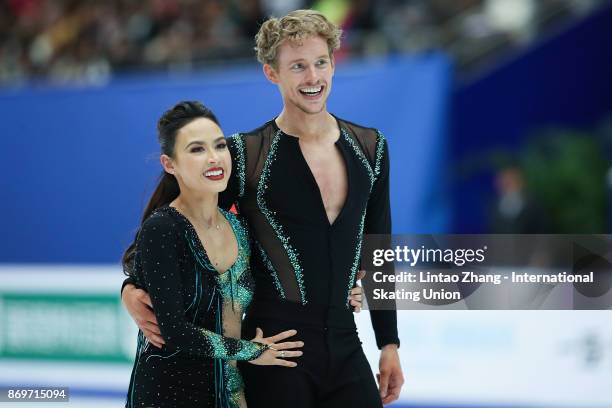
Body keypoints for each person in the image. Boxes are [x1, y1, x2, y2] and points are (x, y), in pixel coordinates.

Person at [123, 9, 404, 407]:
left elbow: (380, 249)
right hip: (275, 347)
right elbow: (177, 220)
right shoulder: (246, 153)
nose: (313, 77)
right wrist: (131, 286)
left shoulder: (370, 148)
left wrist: (388, 342)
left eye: (321, 62)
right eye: (298, 66)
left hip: (345, 343)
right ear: (272, 73)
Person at [122, 101, 306, 408]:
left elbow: (283, 278)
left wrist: (350, 288)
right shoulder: (164, 228)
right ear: (170, 164)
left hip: (230, 391)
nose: (214, 158)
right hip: (168, 393)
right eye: (196, 150)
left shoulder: (239, 227)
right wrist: (253, 351)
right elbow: (175, 331)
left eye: (219, 146)